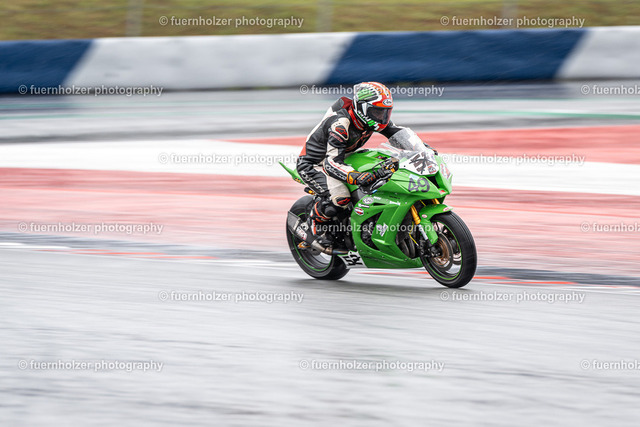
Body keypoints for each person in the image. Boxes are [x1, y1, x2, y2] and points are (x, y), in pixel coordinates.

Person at [296, 81, 436, 249]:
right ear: (362, 108)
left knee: (382, 170)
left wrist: (423, 149)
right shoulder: (340, 125)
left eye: (385, 112)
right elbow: (331, 163)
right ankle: (314, 227)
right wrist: (355, 176)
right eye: (377, 111)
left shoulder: (371, 119)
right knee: (341, 198)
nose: (382, 117)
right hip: (315, 163)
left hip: (344, 156)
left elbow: (397, 133)